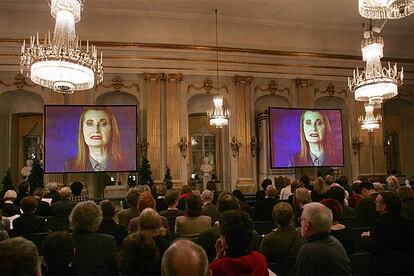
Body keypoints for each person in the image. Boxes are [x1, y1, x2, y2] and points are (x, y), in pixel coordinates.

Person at [295, 202, 352, 275]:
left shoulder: (308, 250)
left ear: (307, 225)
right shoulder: (335, 242)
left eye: (301, 219)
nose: (300, 222)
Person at [64, 107, 125, 172]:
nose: (96, 130)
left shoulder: (128, 164)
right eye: (90, 124)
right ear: (82, 130)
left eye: (103, 124)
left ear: (112, 130)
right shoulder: (69, 166)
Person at [209, 210, 268, 276]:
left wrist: (217, 258)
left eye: (221, 235)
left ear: (225, 240)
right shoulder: (260, 259)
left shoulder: (216, 268)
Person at [69, 201, 118, 274]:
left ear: (73, 218)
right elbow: (115, 268)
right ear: (97, 220)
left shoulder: (65, 240)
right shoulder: (107, 241)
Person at [259, 202, 306, 275]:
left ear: (274, 218)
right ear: (292, 216)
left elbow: (261, 259)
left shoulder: (269, 238)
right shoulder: (302, 233)